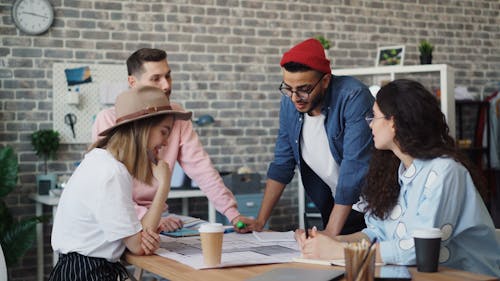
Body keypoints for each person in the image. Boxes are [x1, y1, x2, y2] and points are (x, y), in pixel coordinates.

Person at [296, 79, 500, 277]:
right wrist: (331, 242)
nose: (370, 126)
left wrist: (339, 252)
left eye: (373, 117)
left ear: (393, 122)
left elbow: (417, 249)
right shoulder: (396, 170)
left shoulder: (445, 172)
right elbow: (377, 233)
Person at [92, 48, 254, 232]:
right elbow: (108, 191)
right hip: (122, 216)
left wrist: (232, 213)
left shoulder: (177, 116)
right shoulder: (108, 120)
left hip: (162, 215)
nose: (166, 85)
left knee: (211, 232)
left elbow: (202, 168)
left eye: (168, 76)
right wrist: (146, 218)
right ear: (133, 82)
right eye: (156, 78)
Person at [50, 86, 192, 280]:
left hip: (84, 270)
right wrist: (164, 184)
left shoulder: (100, 161)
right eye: (164, 132)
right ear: (143, 129)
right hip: (88, 273)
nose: (166, 142)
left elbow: (134, 237)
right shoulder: (111, 173)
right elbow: (139, 245)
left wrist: (140, 235)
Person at [253, 38, 374, 236]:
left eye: (304, 89)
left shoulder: (353, 96)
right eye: (288, 88)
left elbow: (354, 168)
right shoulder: (290, 104)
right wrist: (260, 221)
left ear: (325, 81)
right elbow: (282, 164)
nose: (294, 97)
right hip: (338, 205)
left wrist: (331, 233)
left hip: (377, 206)